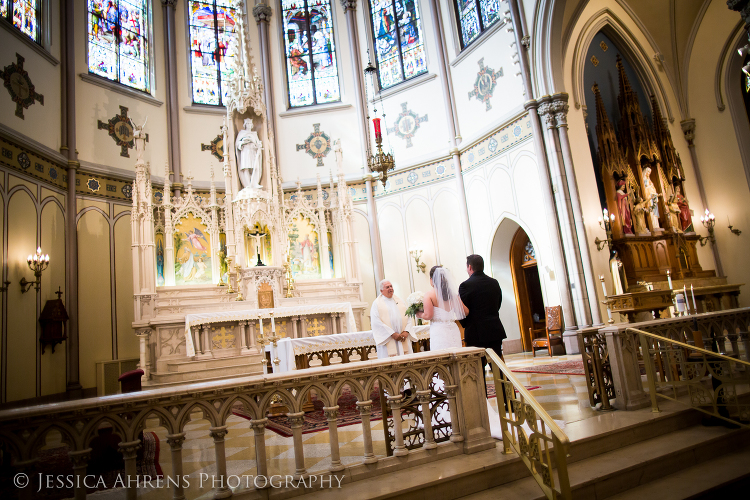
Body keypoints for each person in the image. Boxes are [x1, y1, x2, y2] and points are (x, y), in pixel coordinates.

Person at [458, 254, 506, 439]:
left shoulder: (465, 286)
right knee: (499, 369)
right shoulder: (494, 283)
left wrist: (467, 325)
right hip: (494, 330)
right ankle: (507, 404)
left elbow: (463, 311)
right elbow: (498, 304)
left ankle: (483, 407)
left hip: (476, 333)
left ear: (470, 267)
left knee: (478, 373)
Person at [416, 266, 467, 350]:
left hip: (439, 330)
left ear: (432, 279)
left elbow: (428, 315)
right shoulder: (453, 295)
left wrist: (419, 314)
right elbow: (465, 312)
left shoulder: (429, 295)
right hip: (453, 329)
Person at [370, 280, 415, 359]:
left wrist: (406, 331)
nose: (390, 288)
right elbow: (376, 322)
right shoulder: (377, 304)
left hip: (403, 338)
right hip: (388, 339)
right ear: (381, 291)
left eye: (391, 286)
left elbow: (408, 317)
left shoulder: (400, 300)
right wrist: (392, 334)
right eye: (387, 287)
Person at [235, 119, 263, 191]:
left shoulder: (254, 134)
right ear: (245, 125)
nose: (249, 125)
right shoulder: (242, 133)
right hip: (245, 152)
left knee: (255, 167)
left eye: (250, 123)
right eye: (247, 123)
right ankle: (247, 184)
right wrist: (243, 142)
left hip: (253, 152)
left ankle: (255, 183)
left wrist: (258, 146)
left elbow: (257, 144)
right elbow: (238, 144)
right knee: (246, 168)